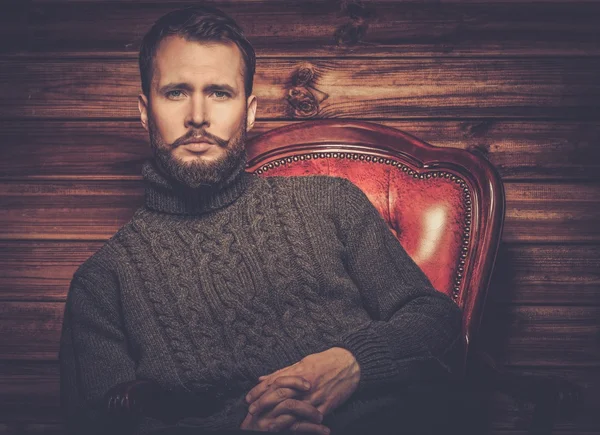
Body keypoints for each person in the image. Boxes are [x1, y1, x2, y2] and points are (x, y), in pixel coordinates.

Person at [59, 5, 463, 435]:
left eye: (219, 92)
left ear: (249, 111)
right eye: (176, 92)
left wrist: (352, 362)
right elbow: (100, 424)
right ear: (145, 111)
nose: (197, 116)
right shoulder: (103, 281)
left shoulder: (331, 203)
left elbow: (435, 319)